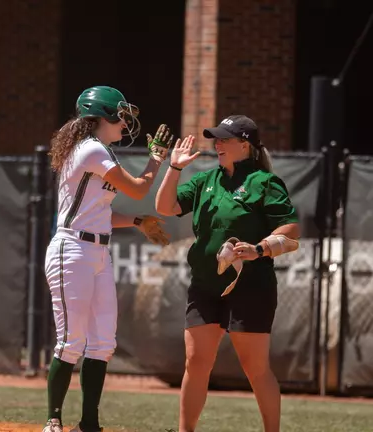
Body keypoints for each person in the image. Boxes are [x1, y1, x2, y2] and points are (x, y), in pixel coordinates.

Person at [155, 115, 301, 432]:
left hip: (251, 286)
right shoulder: (207, 180)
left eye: (224, 139)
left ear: (244, 145)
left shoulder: (264, 182)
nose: (217, 144)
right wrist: (174, 167)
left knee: (255, 367)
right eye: (216, 138)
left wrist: (259, 248)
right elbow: (165, 208)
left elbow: (291, 230)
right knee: (195, 362)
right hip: (206, 284)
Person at [42, 85, 174, 432]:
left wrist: (136, 221)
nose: (126, 121)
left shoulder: (99, 151)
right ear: (104, 116)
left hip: (97, 250)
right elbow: (138, 188)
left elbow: (101, 213)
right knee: (71, 340)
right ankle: (53, 420)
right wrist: (156, 159)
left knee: (102, 343)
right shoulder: (89, 150)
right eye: (121, 114)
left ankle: (89, 423)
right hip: (72, 250)